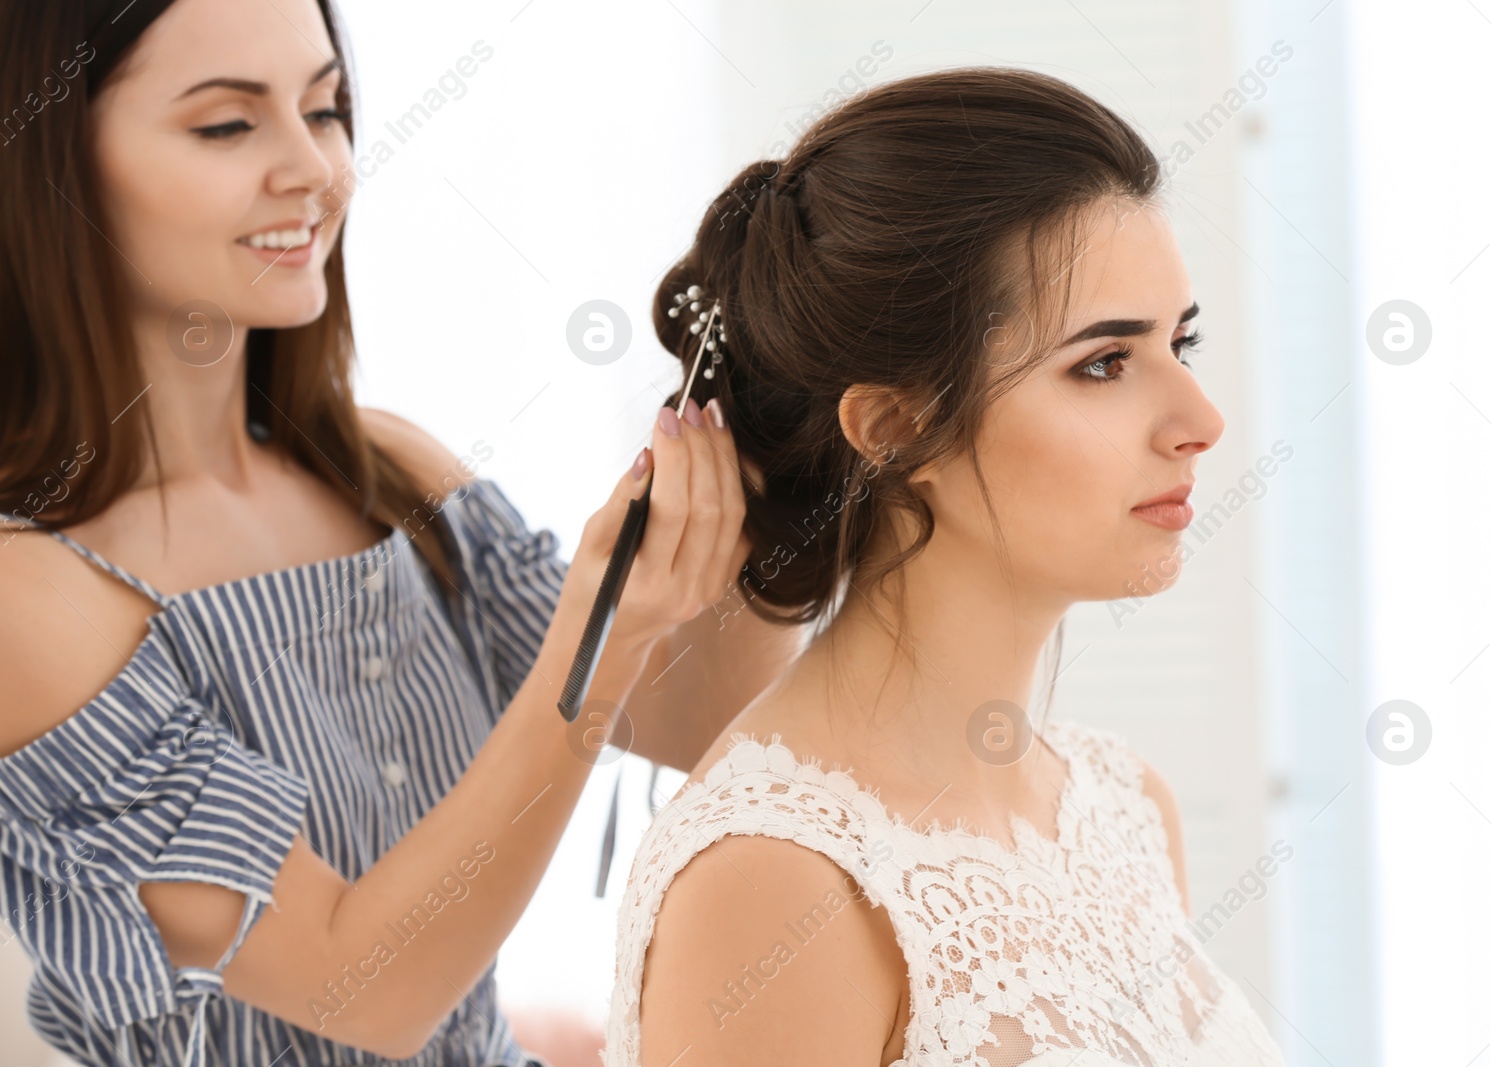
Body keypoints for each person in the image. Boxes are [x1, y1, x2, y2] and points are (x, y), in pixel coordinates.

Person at [0, 1, 800, 1065]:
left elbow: (689, 722)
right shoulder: (29, 593)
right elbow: (367, 986)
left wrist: (784, 451)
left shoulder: (388, 470)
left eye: (325, 108)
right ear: (52, 164)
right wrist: (606, 633)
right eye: (227, 126)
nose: (316, 169)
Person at [604, 68, 1289, 1066]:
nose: (1200, 421)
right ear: (893, 427)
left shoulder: (1125, 805)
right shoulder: (776, 880)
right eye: (1102, 363)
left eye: (1180, 342)